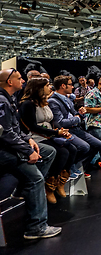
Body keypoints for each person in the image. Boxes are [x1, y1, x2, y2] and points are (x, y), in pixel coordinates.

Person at [0, 68, 62, 239]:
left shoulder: (10, 98)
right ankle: (36, 227)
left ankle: (23, 189)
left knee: (48, 151)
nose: (24, 81)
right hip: (4, 151)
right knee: (36, 178)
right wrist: (28, 150)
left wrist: (28, 139)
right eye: (19, 78)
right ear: (10, 82)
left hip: (12, 146)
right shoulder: (2, 101)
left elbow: (15, 128)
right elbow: (6, 134)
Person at [19, 78, 74, 204]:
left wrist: (60, 130)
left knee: (72, 149)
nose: (50, 87)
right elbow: (32, 127)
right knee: (61, 152)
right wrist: (56, 133)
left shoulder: (44, 102)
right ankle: (49, 185)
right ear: (39, 87)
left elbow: (51, 120)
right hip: (35, 137)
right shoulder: (28, 104)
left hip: (48, 134)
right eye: (47, 85)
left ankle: (59, 181)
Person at [49, 76, 101, 179]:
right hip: (66, 130)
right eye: (70, 84)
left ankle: (77, 164)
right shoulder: (53, 101)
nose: (73, 87)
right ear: (63, 86)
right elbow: (61, 122)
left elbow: (74, 114)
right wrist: (77, 118)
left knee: (98, 144)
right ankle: (68, 167)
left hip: (76, 128)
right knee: (84, 147)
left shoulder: (67, 99)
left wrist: (80, 113)